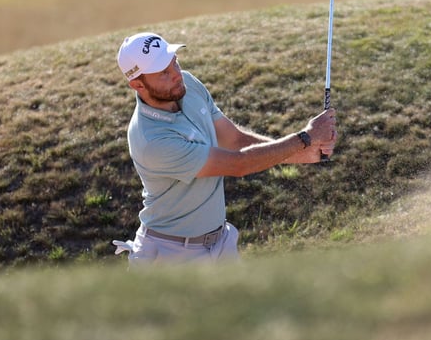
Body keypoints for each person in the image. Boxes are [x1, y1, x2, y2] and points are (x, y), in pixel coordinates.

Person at [112, 32, 336, 267]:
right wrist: (305, 137)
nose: (176, 74)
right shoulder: (152, 140)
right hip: (171, 255)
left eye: (174, 61)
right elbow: (238, 164)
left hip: (220, 244)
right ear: (137, 84)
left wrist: (308, 151)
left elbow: (235, 141)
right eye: (163, 73)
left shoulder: (187, 85)